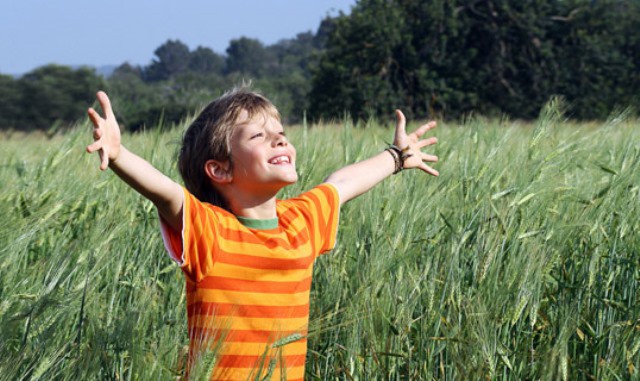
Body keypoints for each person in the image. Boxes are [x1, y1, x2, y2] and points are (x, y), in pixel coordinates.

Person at [86, 87, 439, 380]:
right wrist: (118, 155)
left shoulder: (301, 220)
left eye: (281, 136)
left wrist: (396, 157)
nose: (280, 142)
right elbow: (167, 194)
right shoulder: (210, 230)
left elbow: (342, 183)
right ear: (219, 170)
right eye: (260, 136)